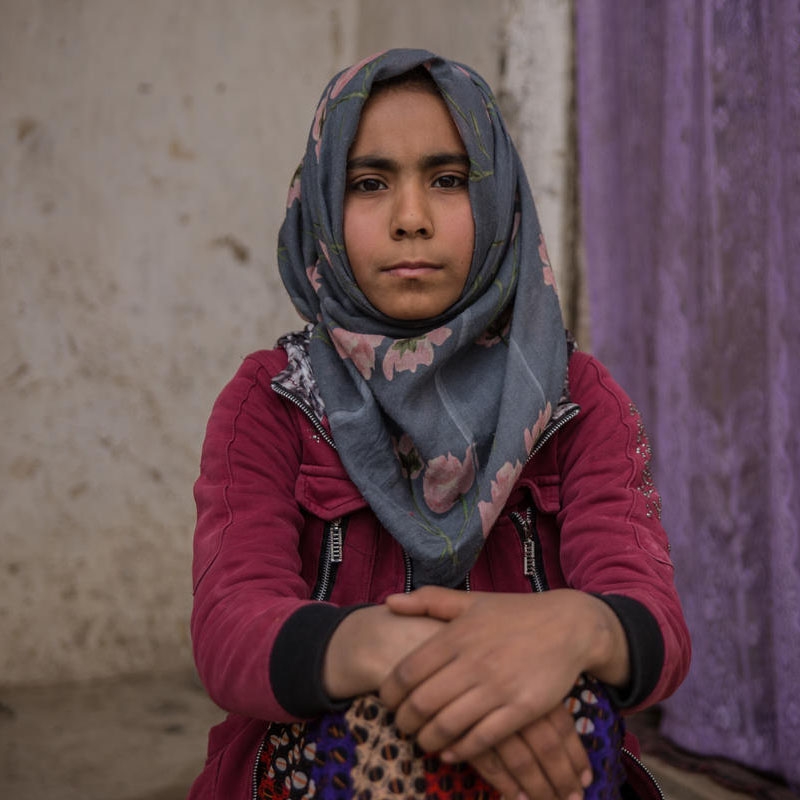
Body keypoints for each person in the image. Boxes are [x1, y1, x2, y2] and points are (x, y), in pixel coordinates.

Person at [188, 48, 690, 800]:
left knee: (568, 715)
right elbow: (230, 628)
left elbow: (655, 623)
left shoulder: (576, 399)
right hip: (321, 768)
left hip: (538, 748)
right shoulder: (272, 401)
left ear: (499, 201)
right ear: (322, 205)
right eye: (369, 183)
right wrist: (377, 649)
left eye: (449, 180)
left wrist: (578, 629)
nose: (411, 219)